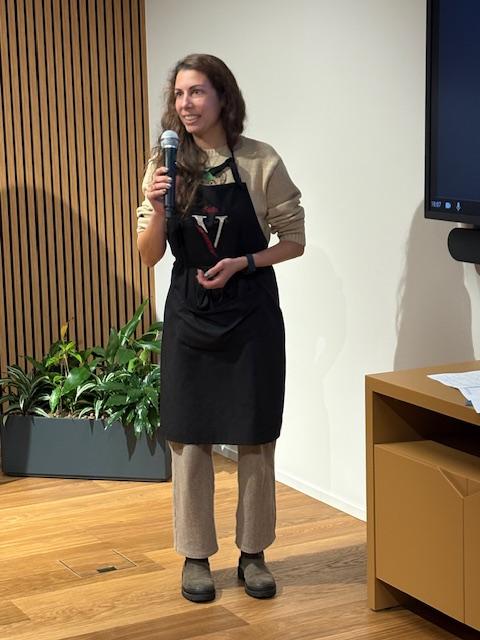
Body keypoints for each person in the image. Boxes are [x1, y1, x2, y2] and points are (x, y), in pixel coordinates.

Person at [136, 53, 305, 603]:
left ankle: (253, 553)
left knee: (255, 433)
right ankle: (195, 555)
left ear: (223, 97)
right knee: (190, 435)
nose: (185, 104)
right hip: (190, 312)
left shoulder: (260, 161)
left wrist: (244, 262)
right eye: (179, 94)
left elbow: (294, 240)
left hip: (250, 311)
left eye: (197, 92)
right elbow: (148, 254)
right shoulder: (164, 166)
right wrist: (157, 206)